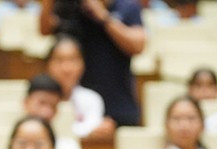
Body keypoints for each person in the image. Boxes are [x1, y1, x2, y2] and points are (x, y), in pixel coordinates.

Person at [39, 0, 146, 128]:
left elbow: (137, 45)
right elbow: (45, 29)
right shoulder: (70, 6)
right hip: (79, 105)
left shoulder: (126, 6)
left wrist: (103, 16)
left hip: (117, 103)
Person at [43, 35, 114, 139]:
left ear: (83, 64)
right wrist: (88, 131)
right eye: (59, 60)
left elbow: (94, 127)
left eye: (72, 60)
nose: (66, 68)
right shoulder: (39, 97)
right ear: (48, 65)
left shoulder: (92, 99)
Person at [23, 74, 85, 149]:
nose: (46, 112)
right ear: (25, 103)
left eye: (53, 106)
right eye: (42, 103)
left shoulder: (69, 148)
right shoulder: (10, 144)